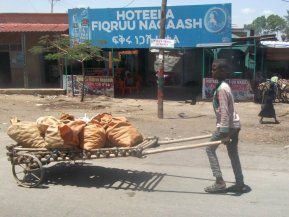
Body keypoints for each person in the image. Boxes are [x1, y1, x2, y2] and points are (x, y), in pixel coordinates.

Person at [204, 59, 251, 194]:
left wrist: (225, 133)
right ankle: (240, 183)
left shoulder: (222, 89)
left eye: (214, 69)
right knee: (233, 154)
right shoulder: (224, 85)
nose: (212, 71)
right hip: (235, 125)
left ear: (223, 71)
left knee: (209, 149)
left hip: (227, 126)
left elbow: (224, 111)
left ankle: (219, 182)